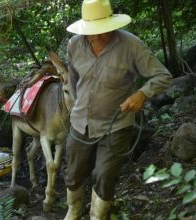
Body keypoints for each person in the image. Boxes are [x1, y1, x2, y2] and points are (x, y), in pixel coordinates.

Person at [63, 0, 172, 219]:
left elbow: (163, 76)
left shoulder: (131, 45)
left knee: (104, 174)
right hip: (80, 122)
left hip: (116, 124)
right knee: (73, 174)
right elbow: (72, 78)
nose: (95, 37)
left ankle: (98, 216)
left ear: (112, 25)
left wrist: (141, 94)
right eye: (90, 32)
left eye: (100, 32)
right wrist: (77, 104)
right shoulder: (74, 44)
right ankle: (74, 211)